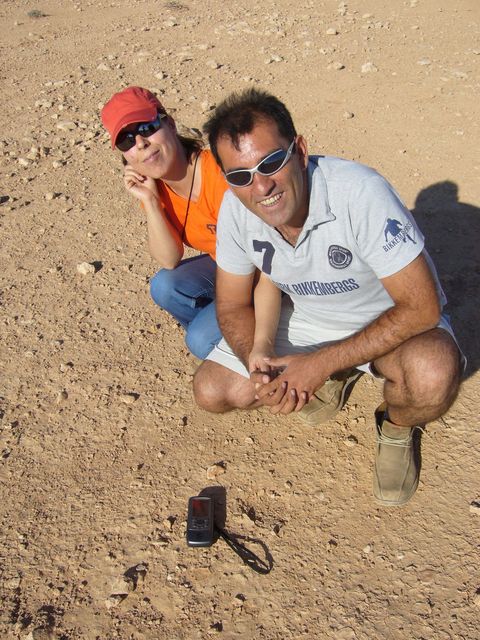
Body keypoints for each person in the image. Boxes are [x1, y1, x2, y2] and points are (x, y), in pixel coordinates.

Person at [192, 88, 465, 507]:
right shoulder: (235, 210)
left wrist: (318, 363)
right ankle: (339, 375)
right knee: (214, 390)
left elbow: (422, 307)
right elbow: (230, 304)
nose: (260, 186)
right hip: (309, 318)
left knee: (431, 377)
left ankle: (396, 426)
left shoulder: (358, 192)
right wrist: (256, 359)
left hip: (387, 320)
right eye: (240, 176)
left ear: (299, 150)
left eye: (271, 162)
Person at [101, 86, 228, 359]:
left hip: (267, 273)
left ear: (169, 123)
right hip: (230, 267)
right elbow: (169, 259)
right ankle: (230, 350)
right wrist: (149, 201)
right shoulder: (158, 190)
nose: (140, 143)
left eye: (146, 127)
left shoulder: (218, 170)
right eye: (126, 140)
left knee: (201, 339)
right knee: (165, 286)